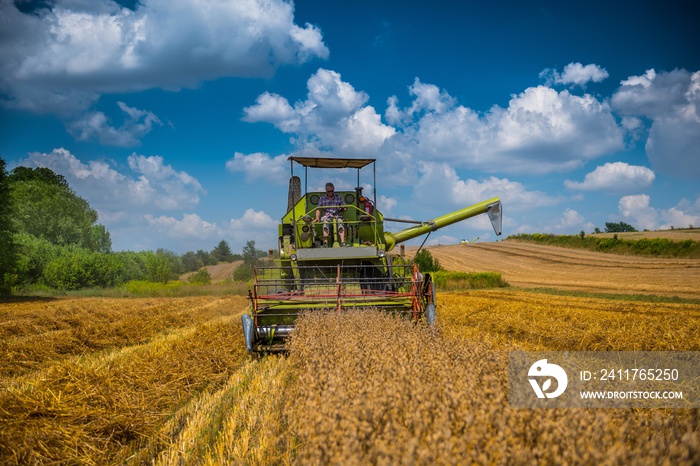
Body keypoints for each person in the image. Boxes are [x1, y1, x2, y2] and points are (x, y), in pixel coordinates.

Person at [314, 182, 346, 246]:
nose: (331, 193)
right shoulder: (322, 198)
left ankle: (343, 242)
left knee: (340, 223)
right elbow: (318, 209)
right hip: (327, 216)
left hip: (337, 215)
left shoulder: (338, 197)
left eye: (332, 191)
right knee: (325, 224)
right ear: (326, 191)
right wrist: (317, 218)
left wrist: (342, 208)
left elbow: (345, 208)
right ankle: (325, 243)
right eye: (329, 191)